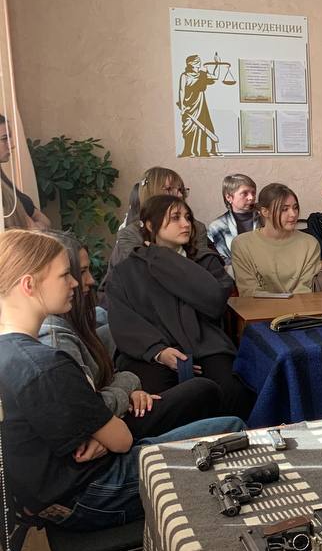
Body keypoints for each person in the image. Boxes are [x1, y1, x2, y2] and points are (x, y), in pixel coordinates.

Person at [0, 229, 244, 531]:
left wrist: (103, 435)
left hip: (59, 490)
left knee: (202, 408)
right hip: (90, 493)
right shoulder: (47, 364)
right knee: (232, 430)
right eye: (64, 275)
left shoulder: (11, 350)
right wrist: (108, 435)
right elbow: (122, 439)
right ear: (29, 285)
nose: (75, 282)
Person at [39, 231, 225, 437]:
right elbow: (87, 412)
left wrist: (131, 390)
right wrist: (125, 395)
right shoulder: (56, 340)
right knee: (207, 397)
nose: (90, 280)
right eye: (79, 272)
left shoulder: (73, 325)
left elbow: (109, 377)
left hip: (116, 412)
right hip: (112, 432)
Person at [106, 195, 255, 420]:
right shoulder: (126, 271)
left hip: (205, 347)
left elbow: (214, 301)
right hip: (150, 353)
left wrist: (163, 257)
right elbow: (124, 322)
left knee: (232, 390)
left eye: (187, 217)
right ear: (150, 225)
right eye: (175, 218)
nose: (186, 224)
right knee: (154, 402)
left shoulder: (205, 261)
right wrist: (158, 352)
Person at [110, 167, 214, 273]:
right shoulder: (131, 233)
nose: (180, 195)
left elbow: (206, 270)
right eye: (169, 189)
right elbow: (137, 274)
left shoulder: (196, 228)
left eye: (181, 190)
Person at [230, 183, 320, 297]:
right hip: (258, 307)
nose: (293, 214)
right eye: (284, 209)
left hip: (301, 307)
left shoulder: (310, 243)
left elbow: (305, 289)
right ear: (265, 212)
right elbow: (249, 291)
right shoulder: (242, 244)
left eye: (295, 207)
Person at [0, 113, 51, 229]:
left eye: (10, 137)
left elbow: (43, 220)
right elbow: (32, 228)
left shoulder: (3, 179)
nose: (12, 145)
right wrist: (38, 225)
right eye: (4, 139)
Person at [206, 173, 260, 268]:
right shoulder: (217, 227)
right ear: (229, 197)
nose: (251, 197)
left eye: (253, 193)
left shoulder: (265, 219)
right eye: (245, 193)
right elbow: (218, 260)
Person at [177, 54, 220, 157]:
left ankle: (204, 151)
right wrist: (182, 105)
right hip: (189, 106)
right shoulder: (184, 76)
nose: (198, 64)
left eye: (199, 62)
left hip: (201, 105)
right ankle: (189, 151)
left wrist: (217, 64)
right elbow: (181, 90)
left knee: (205, 127)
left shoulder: (202, 74)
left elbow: (216, 77)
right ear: (190, 64)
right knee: (189, 129)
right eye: (196, 62)